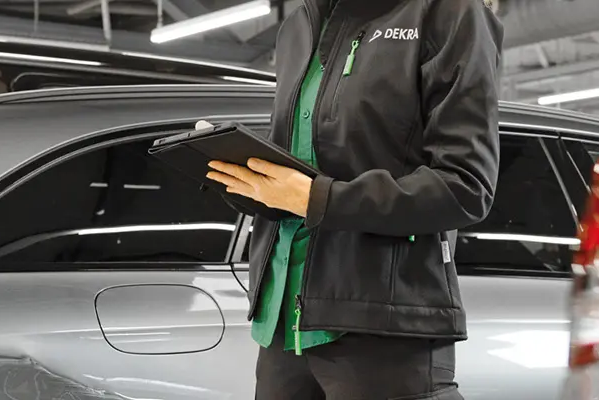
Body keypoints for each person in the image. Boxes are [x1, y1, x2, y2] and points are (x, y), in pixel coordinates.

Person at [202, 0, 503, 397]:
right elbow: (304, 169)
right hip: (282, 326)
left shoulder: (448, 13)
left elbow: (466, 185)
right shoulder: (300, 24)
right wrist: (250, 184)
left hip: (382, 324)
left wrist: (317, 198)